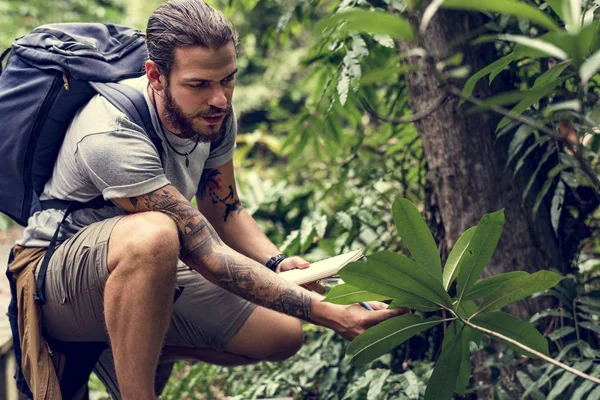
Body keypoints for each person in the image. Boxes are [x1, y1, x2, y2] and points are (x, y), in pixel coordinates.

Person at [11, 0, 405, 398]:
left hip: (146, 267)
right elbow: (205, 251)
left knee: (281, 333)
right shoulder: (108, 130)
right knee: (155, 234)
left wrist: (279, 264)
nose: (219, 98)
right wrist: (330, 314)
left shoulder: (213, 112)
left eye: (228, 80)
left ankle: (136, 346)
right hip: (55, 277)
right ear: (156, 76)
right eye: (199, 84)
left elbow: (224, 210)